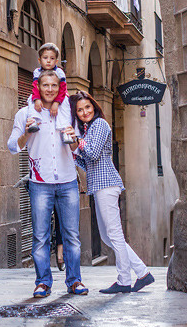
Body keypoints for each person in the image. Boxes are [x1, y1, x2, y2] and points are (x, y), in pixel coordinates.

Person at [8, 70, 88, 298]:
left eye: (54, 85)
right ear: (38, 87)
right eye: (46, 85)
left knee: (72, 235)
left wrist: (74, 139)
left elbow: (75, 149)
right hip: (40, 184)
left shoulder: (67, 113)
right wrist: (25, 133)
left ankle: (75, 281)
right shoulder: (25, 113)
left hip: (67, 182)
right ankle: (43, 282)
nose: (50, 89)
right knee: (40, 236)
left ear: (59, 86)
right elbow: (13, 146)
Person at [65, 91, 154, 294]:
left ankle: (124, 280)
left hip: (107, 185)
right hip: (99, 185)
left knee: (114, 234)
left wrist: (77, 141)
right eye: (79, 110)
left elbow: (94, 153)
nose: (84, 112)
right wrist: (74, 150)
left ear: (94, 107)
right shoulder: (88, 130)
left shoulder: (100, 125)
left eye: (87, 107)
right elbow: (87, 161)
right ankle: (142, 273)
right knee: (107, 237)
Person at [27, 43, 75, 144]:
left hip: (60, 96)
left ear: (56, 61)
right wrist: (37, 99)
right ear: (39, 60)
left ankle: (65, 131)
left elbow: (62, 88)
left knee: (65, 105)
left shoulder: (60, 72)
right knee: (31, 99)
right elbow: (35, 87)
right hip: (41, 95)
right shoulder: (37, 72)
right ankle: (33, 121)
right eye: (45, 58)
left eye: (52, 58)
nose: (48, 61)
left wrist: (57, 102)